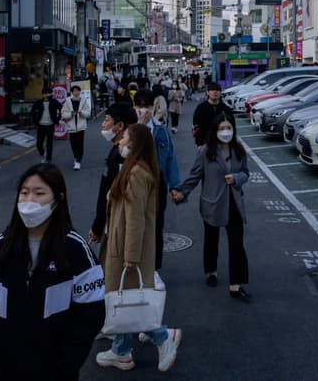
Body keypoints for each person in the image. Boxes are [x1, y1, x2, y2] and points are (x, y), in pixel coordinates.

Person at [0, 164, 105, 380]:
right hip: (2, 368)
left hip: (55, 370)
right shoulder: (0, 248)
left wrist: (68, 361)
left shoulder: (76, 251)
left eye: (39, 193)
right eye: (24, 192)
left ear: (58, 199)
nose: (29, 200)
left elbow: (91, 313)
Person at [95, 123, 182, 372]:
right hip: (122, 244)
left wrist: (131, 256)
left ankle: (163, 338)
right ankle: (121, 351)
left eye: (124, 138)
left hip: (127, 249)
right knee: (124, 299)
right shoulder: (135, 169)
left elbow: (135, 218)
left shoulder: (136, 174)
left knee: (128, 298)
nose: (120, 141)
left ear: (134, 144)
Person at [174, 113, 251, 301]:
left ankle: (236, 285)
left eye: (229, 128)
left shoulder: (239, 150)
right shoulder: (206, 151)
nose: (226, 132)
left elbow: (245, 173)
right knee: (211, 239)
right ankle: (211, 271)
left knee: (237, 244)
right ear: (215, 131)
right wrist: (182, 191)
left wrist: (237, 178)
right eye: (222, 129)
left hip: (234, 203)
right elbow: (195, 175)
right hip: (212, 203)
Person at [133, 90, 181, 280]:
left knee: (156, 224)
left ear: (154, 106)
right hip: (136, 183)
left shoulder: (161, 129)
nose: (144, 110)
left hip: (157, 181)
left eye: (148, 106)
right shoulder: (130, 129)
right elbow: (127, 153)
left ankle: (153, 267)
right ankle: (133, 263)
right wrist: (140, 126)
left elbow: (170, 157)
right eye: (140, 106)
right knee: (135, 223)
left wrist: (175, 185)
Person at [88, 103, 138, 254]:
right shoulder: (117, 151)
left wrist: (98, 226)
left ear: (120, 126)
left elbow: (111, 193)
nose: (103, 124)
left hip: (116, 223)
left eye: (107, 120)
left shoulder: (122, 156)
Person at [192, 82, 233, 147]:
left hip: (223, 142)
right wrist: (199, 144)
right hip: (205, 143)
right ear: (207, 92)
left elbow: (232, 126)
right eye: (212, 90)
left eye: (217, 90)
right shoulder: (201, 108)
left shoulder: (225, 108)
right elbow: (196, 126)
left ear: (220, 93)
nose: (215, 92)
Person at [61, 85, 92, 170]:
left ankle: (78, 161)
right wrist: (70, 114)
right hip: (71, 126)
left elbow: (88, 113)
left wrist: (81, 113)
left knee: (80, 144)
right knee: (73, 144)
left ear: (79, 92)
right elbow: (63, 113)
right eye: (74, 91)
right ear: (72, 92)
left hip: (81, 126)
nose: (76, 92)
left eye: (77, 91)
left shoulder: (83, 100)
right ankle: (76, 157)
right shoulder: (67, 101)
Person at [30, 86, 62, 163]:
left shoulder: (54, 102)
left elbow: (62, 109)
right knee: (39, 144)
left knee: (49, 143)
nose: (48, 95)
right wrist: (35, 121)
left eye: (49, 93)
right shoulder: (39, 102)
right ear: (43, 94)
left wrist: (57, 119)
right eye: (46, 93)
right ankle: (42, 154)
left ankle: (48, 159)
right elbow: (32, 112)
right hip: (41, 125)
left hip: (50, 125)